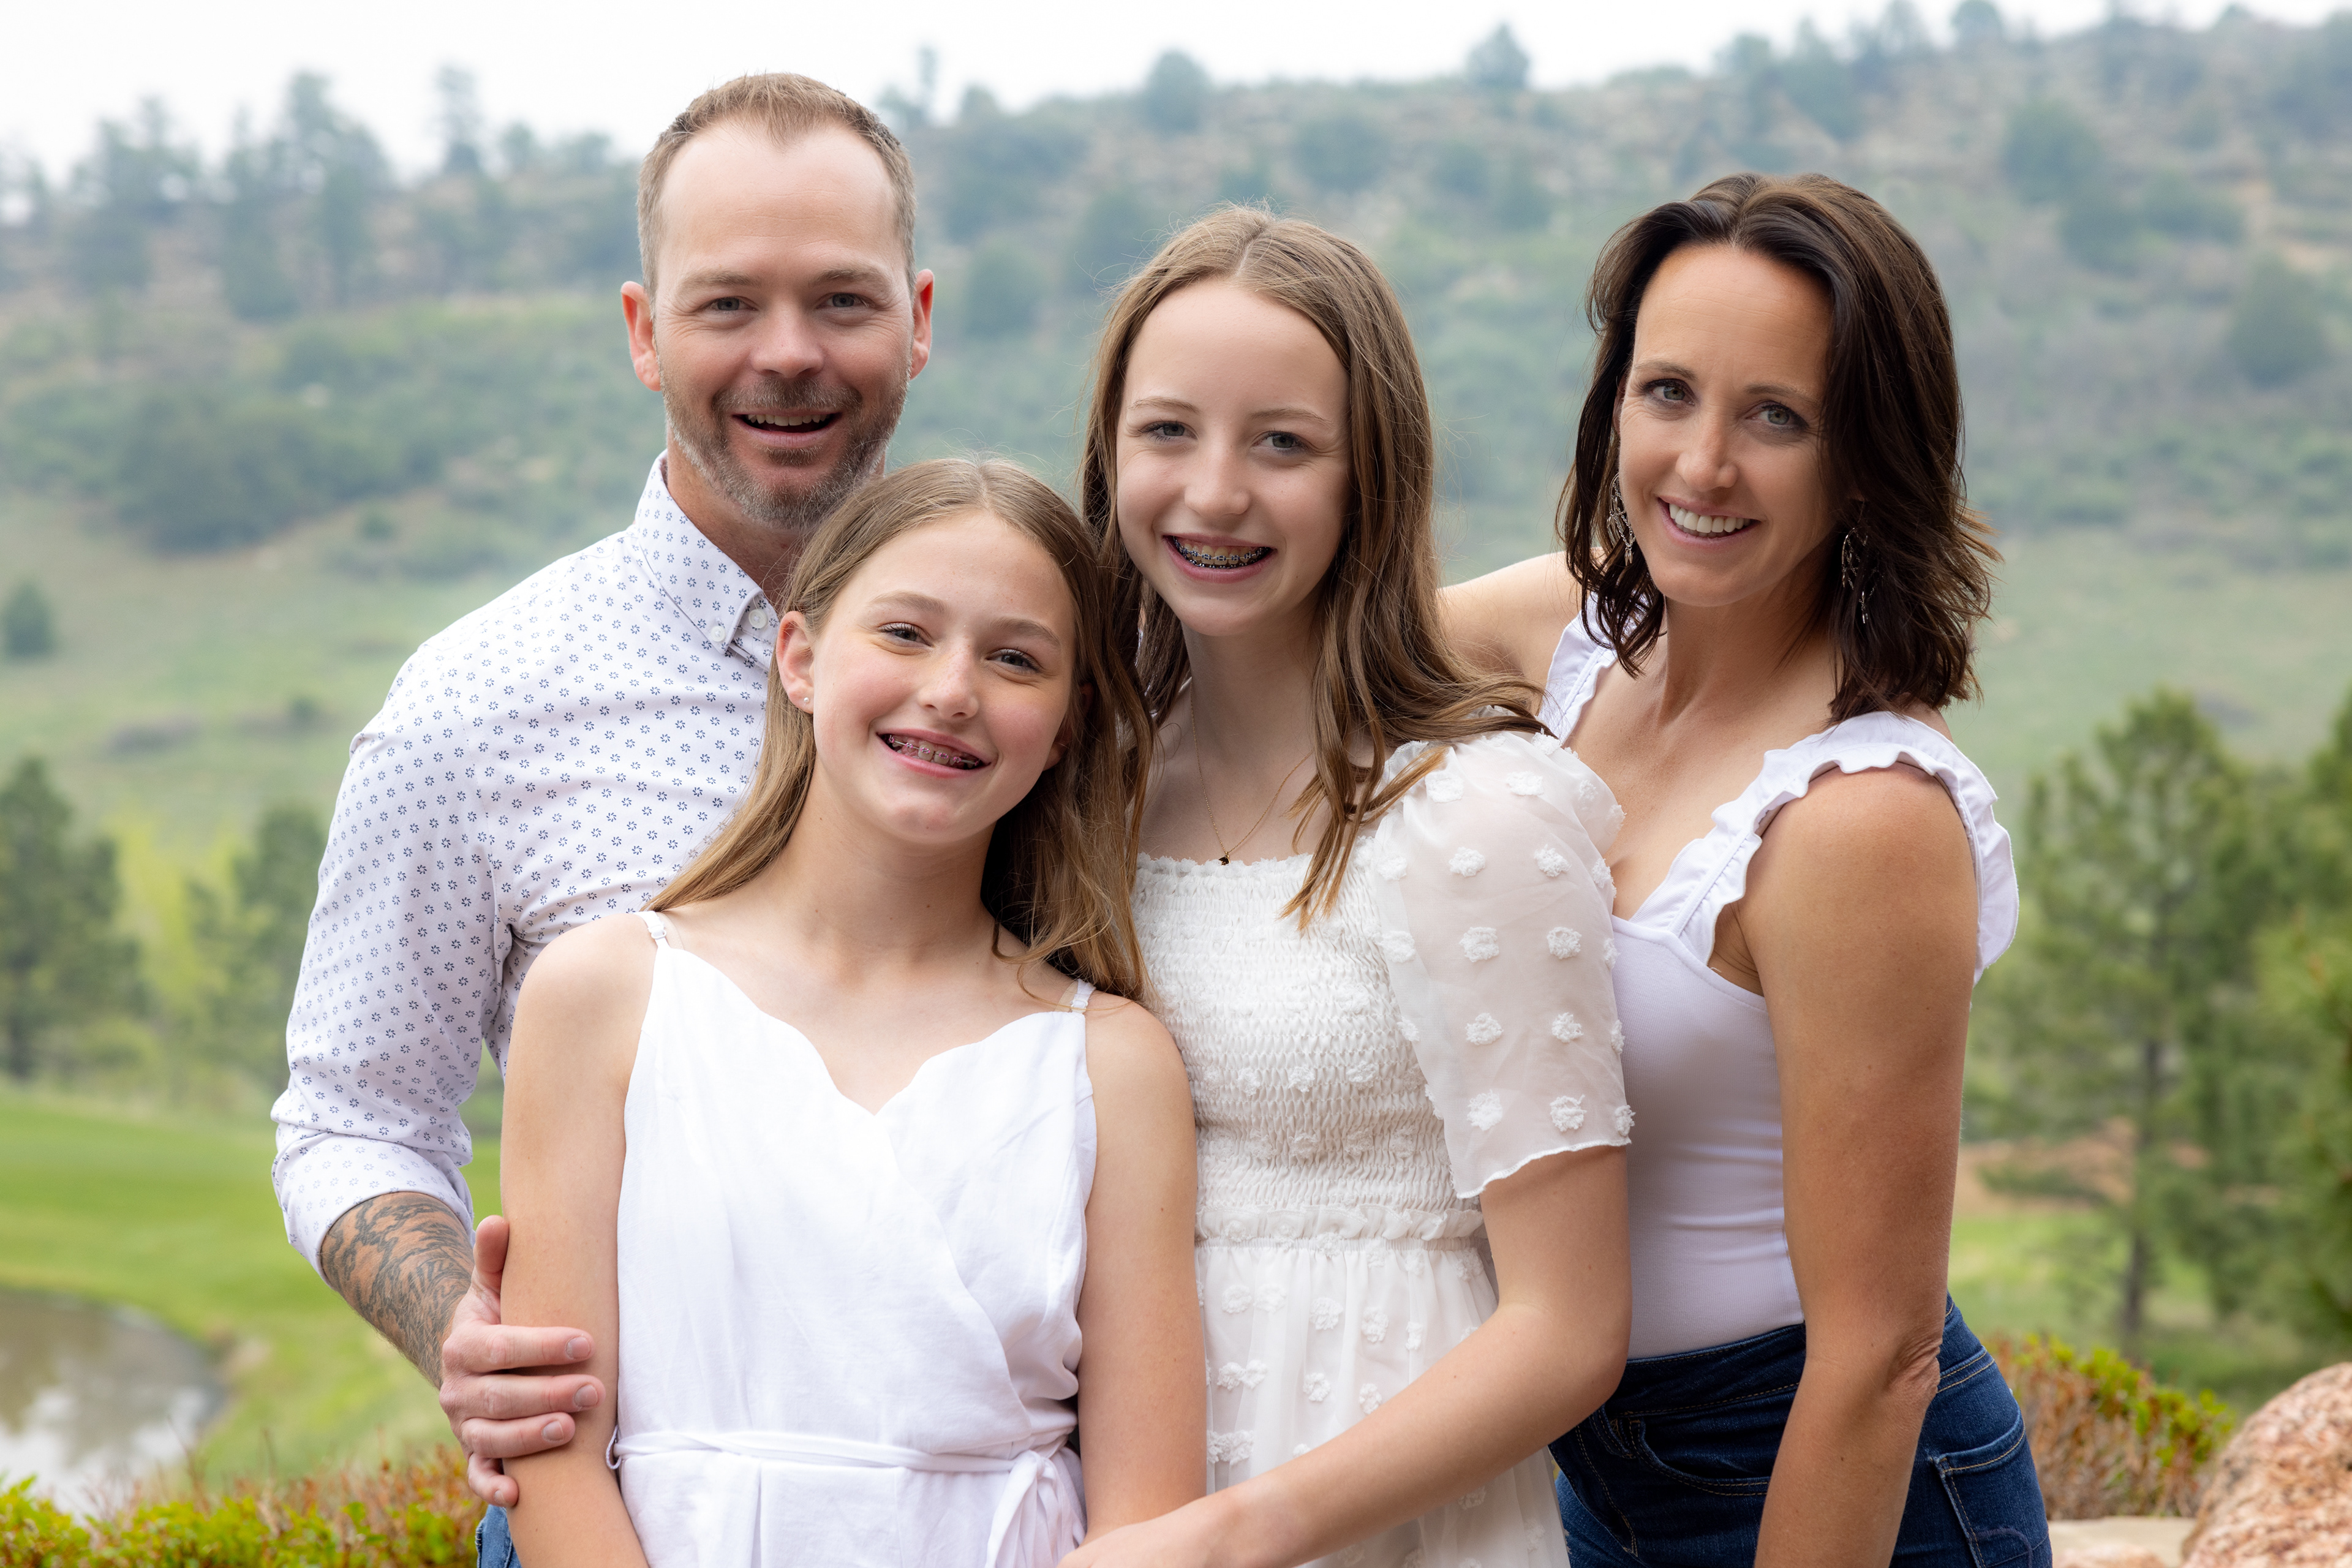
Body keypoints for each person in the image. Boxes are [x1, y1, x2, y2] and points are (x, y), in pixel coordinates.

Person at [268, 72, 933, 1500]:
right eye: (727, 304)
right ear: (644, 331)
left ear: (919, 318)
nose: (788, 354)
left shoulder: (1047, 674)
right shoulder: (473, 706)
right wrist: (460, 1325)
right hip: (617, 1501)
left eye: (842, 300)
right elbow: (350, 1114)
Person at [1445, 173, 2051, 1566]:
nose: (1702, 465)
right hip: (1599, 1463)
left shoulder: (1863, 815)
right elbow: (1294, 653)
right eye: (1668, 393)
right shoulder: (1567, 642)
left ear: (1868, 458)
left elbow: (1880, 1357)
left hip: (1827, 1474)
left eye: (1777, 417)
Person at [492, 458, 1203, 1567]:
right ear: (801, 658)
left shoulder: (1112, 1065)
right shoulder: (606, 996)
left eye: (1016, 658)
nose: (954, 690)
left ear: (1067, 726)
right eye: (906, 633)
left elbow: (1147, 1518)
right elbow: (549, 1450)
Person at [1062, 208, 1632, 1568]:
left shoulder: (1475, 817)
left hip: (1376, 1517)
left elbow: (1570, 1326)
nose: (1214, 493)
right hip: (1112, 1505)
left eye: (1282, 443)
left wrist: (1239, 1534)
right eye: (1168, 431)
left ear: (1371, 474)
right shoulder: (1079, 796)